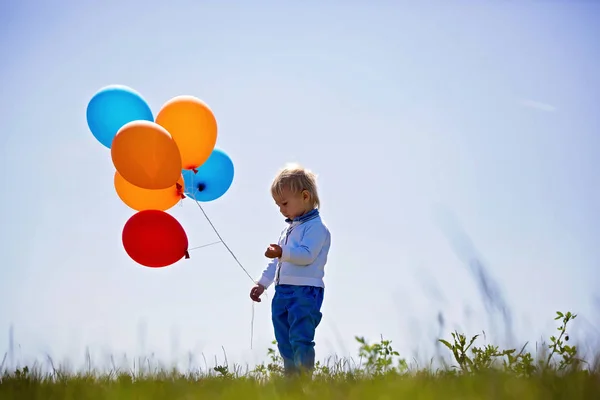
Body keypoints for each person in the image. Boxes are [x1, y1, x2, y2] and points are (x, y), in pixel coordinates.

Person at [249, 163, 331, 376]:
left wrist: (281, 252)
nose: (281, 209)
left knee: (300, 336)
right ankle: (291, 378)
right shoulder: (288, 230)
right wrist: (261, 283)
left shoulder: (316, 228)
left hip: (305, 291)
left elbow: (306, 256)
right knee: (284, 338)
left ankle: (303, 378)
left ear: (305, 196)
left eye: (284, 203)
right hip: (283, 291)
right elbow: (277, 264)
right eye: (278, 204)